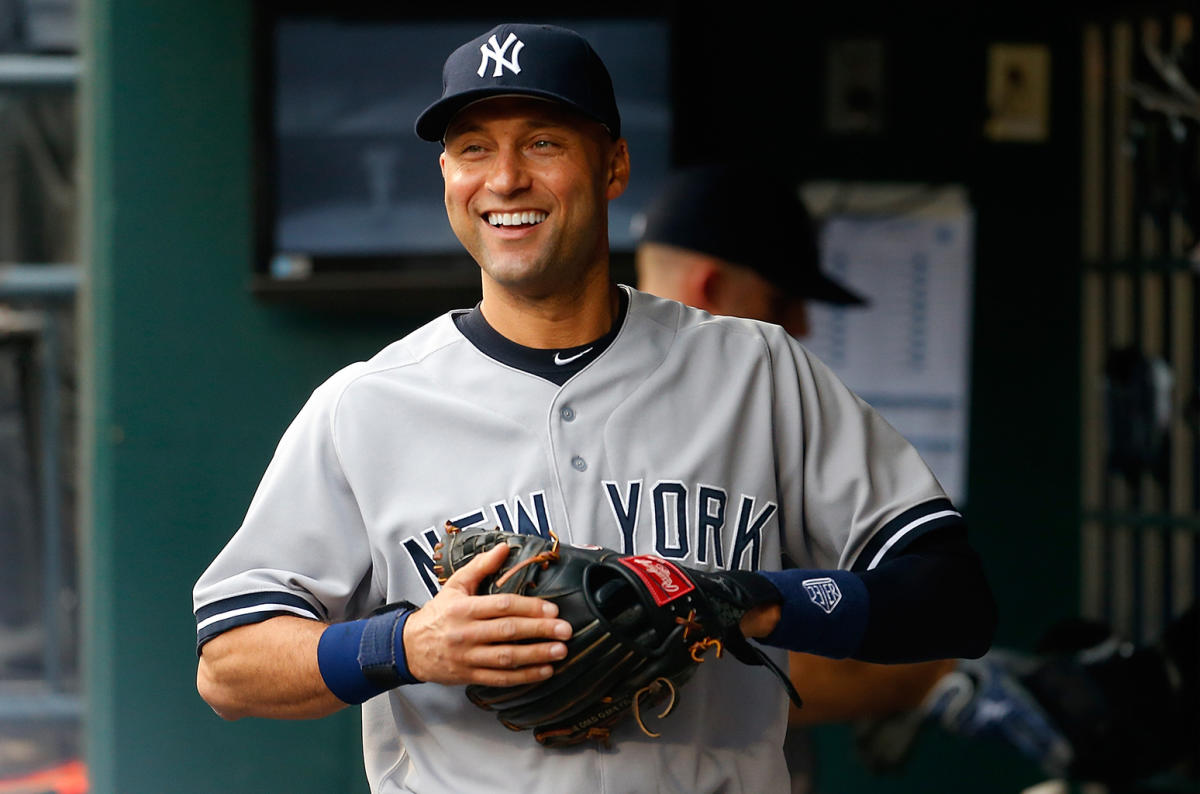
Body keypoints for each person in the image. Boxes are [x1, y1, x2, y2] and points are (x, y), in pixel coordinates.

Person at [193, 23, 996, 794]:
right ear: (446, 177)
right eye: (473, 148)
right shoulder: (364, 407)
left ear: (614, 165)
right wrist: (406, 645)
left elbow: (950, 597)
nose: (505, 179)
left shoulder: (759, 370)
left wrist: (760, 600)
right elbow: (228, 666)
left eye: (542, 142)